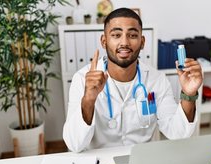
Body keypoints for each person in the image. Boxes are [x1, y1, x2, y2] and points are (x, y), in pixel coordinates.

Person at [63, 7, 203, 152]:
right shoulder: (82, 79)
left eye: (132, 35)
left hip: (142, 161)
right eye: (116, 35)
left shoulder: (157, 80)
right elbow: (74, 145)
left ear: (142, 42)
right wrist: (88, 100)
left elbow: (178, 133)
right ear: (104, 41)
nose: (124, 42)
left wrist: (189, 94)